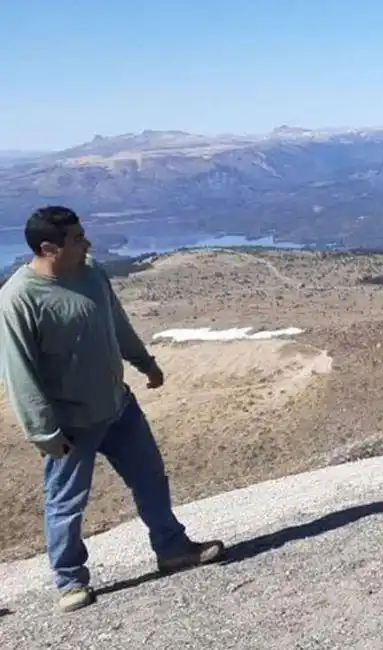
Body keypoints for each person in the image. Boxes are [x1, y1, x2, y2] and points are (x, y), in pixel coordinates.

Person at [0, 206, 225, 613]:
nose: (87, 243)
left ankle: (173, 550)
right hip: (71, 424)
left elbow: (116, 324)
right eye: (77, 238)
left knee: (150, 478)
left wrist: (145, 363)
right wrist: (43, 431)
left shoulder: (91, 273)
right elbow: (19, 372)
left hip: (118, 407)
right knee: (66, 502)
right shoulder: (19, 299)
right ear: (49, 248)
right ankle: (70, 581)